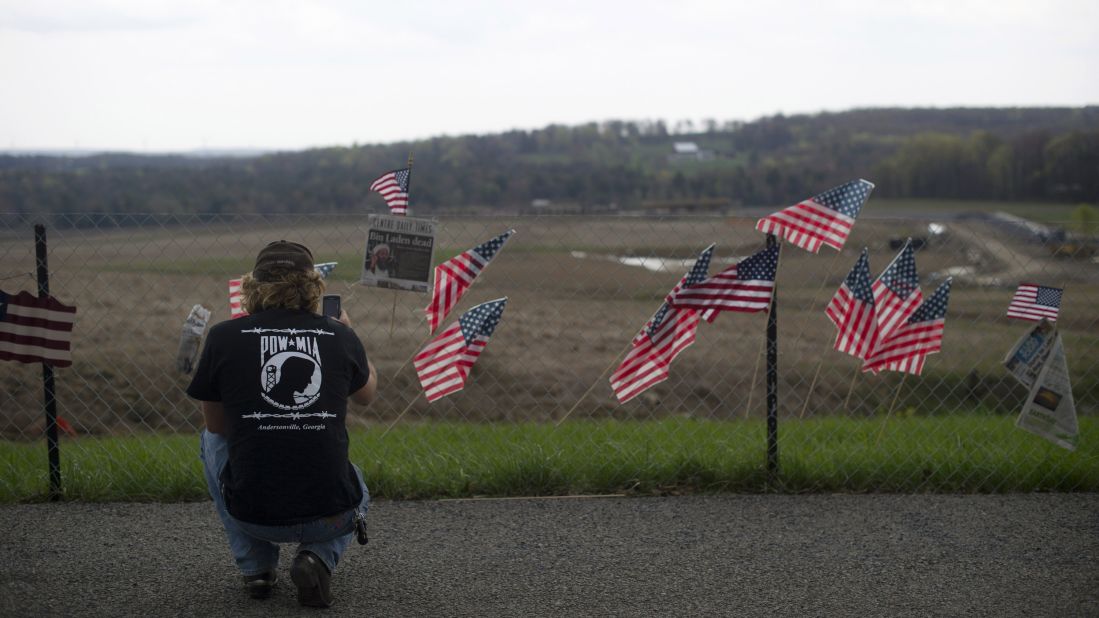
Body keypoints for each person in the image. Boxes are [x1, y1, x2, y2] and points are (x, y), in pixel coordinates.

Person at [187, 240, 377, 607]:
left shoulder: (223, 337)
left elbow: (216, 426)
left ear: (253, 288)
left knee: (209, 441)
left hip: (252, 515)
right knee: (359, 484)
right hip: (331, 516)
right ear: (312, 288)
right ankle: (317, 557)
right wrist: (351, 336)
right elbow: (367, 395)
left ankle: (256, 566)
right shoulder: (338, 335)